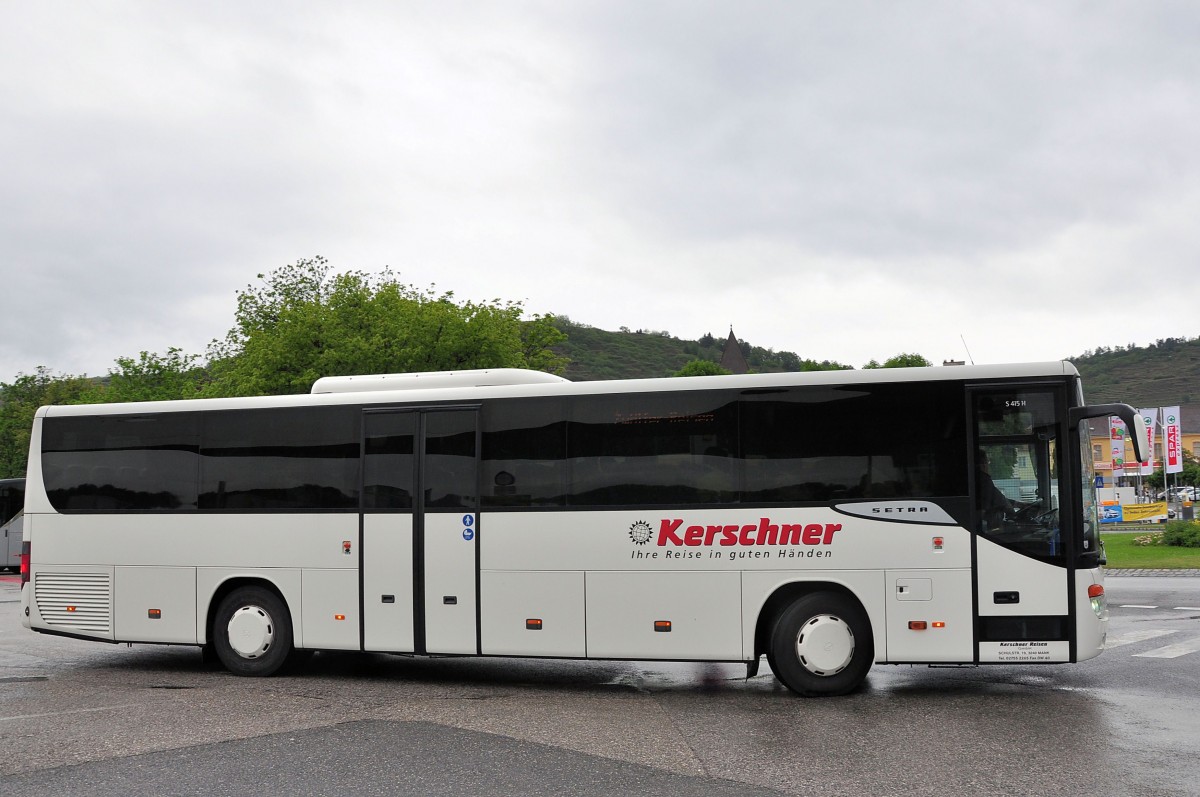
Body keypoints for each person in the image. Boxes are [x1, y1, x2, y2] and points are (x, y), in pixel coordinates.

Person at [975, 449, 1012, 531]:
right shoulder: (984, 480)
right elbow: (984, 507)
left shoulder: (979, 479)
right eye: (987, 462)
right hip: (989, 527)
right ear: (982, 464)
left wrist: (1019, 504)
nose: (988, 466)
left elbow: (996, 496)